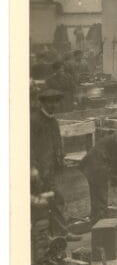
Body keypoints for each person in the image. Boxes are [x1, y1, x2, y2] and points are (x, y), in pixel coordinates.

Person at [30, 90, 68, 234]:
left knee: (54, 200)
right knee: (55, 199)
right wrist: (34, 168)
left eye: (56, 102)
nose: (54, 105)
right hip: (39, 171)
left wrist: (60, 157)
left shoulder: (53, 121)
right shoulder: (34, 121)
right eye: (50, 102)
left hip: (51, 168)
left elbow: (57, 142)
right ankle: (60, 233)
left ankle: (58, 233)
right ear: (42, 103)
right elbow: (29, 148)